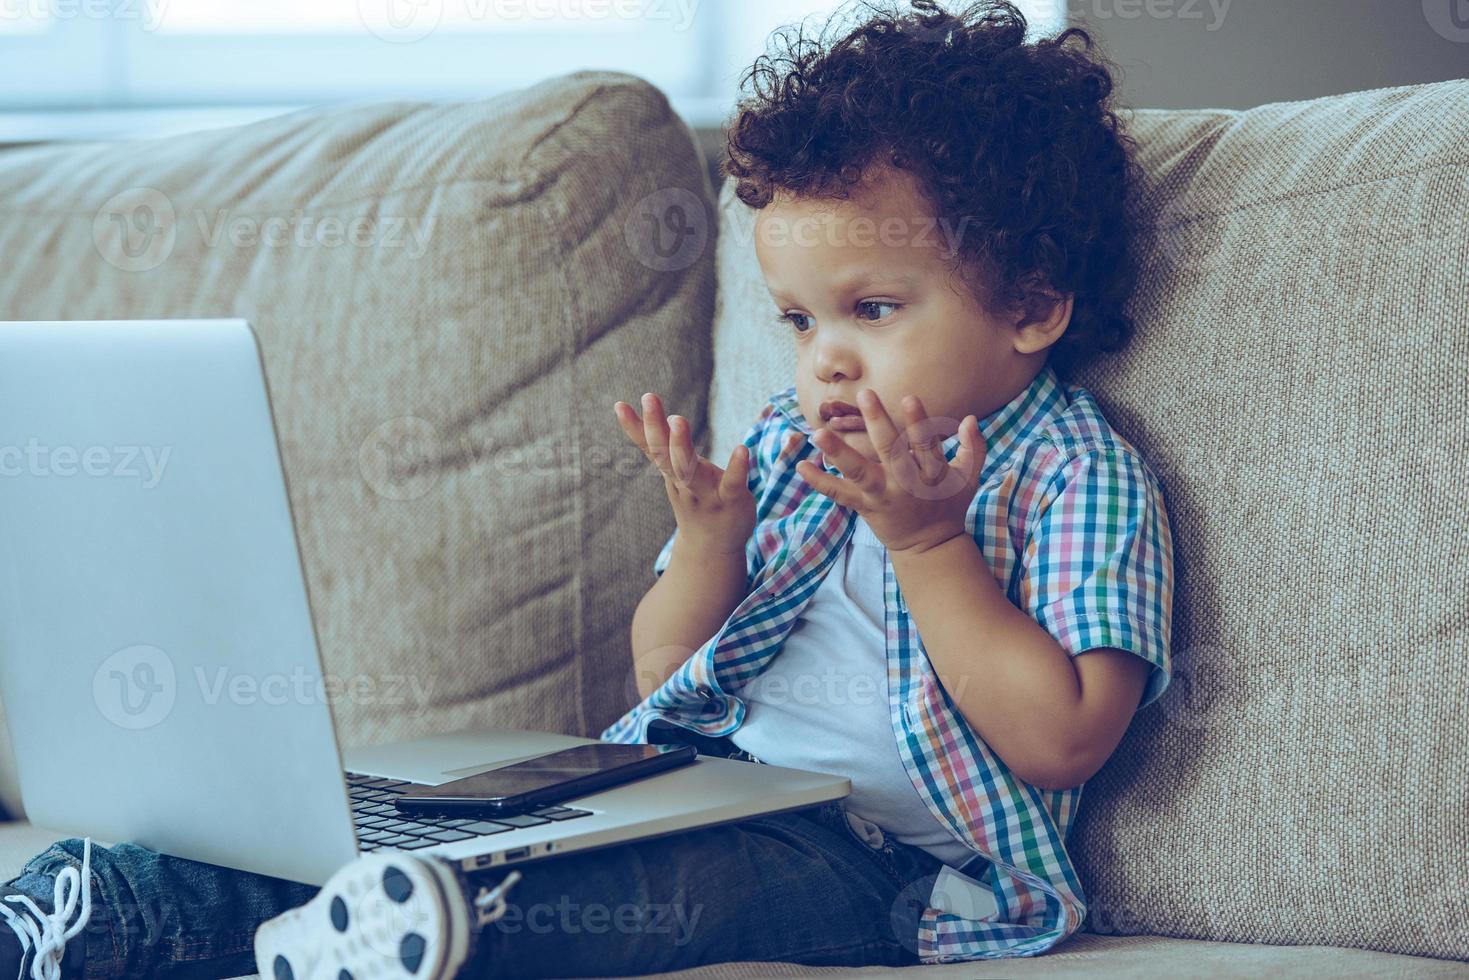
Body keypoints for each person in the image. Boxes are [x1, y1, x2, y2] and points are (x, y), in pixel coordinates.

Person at [0, 1, 1175, 976]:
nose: (822, 358)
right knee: (388, 810)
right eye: (798, 318)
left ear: (1029, 304)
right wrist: (709, 542)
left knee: (649, 890)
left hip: (872, 860)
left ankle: (386, 940)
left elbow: (1062, 739)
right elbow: (661, 674)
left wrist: (927, 547)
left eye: (872, 310)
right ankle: (98, 906)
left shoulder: (1073, 474)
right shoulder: (783, 447)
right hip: (687, 782)